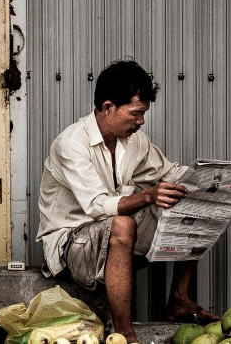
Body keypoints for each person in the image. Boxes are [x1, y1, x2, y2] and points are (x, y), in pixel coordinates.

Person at [36, 59, 218, 344]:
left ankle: (179, 299)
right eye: (136, 113)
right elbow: (97, 206)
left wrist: (217, 181)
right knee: (122, 224)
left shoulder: (135, 141)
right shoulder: (71, 144)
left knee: (184, 199)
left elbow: (170, 174)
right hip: (71, 247)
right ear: (108, 108)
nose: (141, 121)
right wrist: (147, 195)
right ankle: (125, 335)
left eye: (143, 113)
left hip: (112, 239)